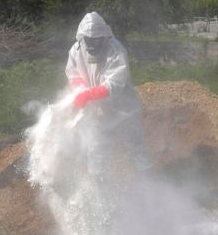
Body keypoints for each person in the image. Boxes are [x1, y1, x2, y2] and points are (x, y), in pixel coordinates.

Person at [65, 11, 152, 174]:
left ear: (103, 37)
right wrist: (79, 87)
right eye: (88, 40)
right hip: (98, 112)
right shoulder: (76, 50)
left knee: (136, 148)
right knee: (96, 151)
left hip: (123, 110)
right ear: (82, 37)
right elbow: (72, 73)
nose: (90, 45)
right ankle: (101, 192)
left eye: (95, 40)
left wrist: (88, 95)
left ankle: (149, 185)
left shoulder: (116, 50)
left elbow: (114, 84)